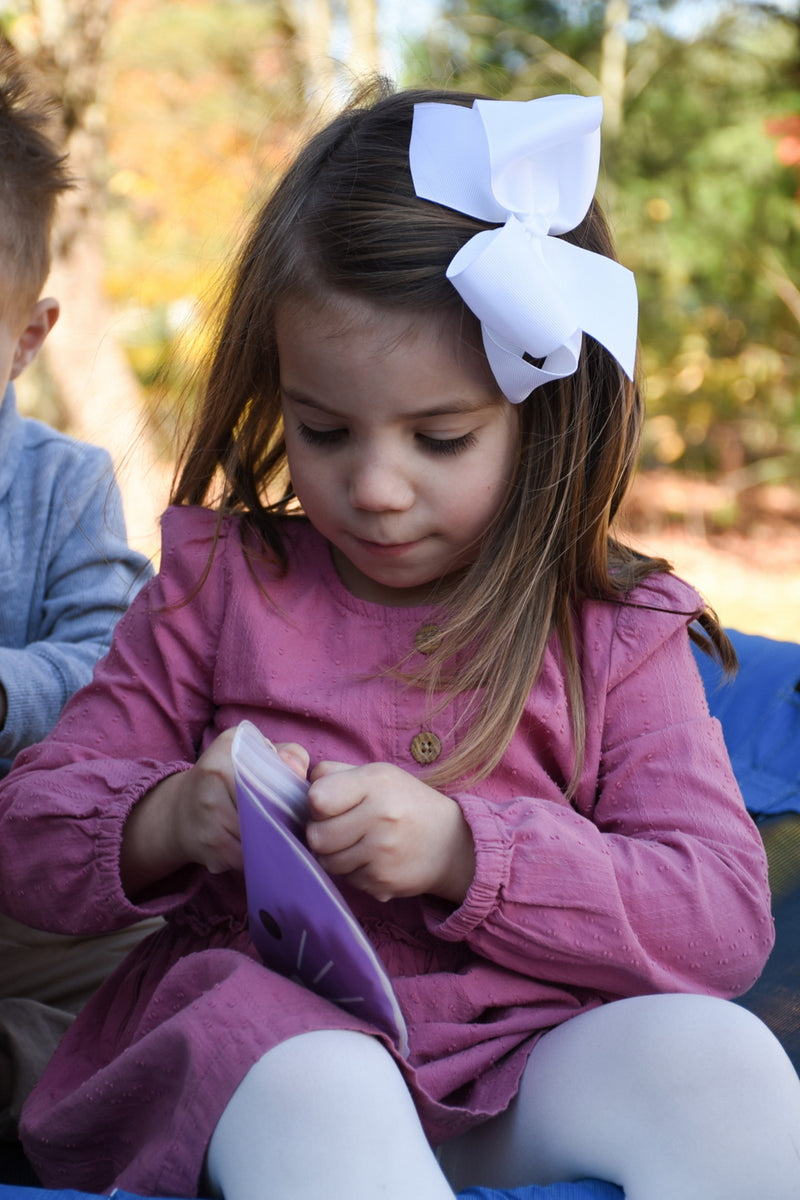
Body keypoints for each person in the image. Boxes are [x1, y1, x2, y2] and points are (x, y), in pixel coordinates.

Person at [0, 81, 798, 1200]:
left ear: (545, 413)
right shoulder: (222, 590)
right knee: (324, 1086)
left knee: (728, 1069)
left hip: (512, 1057)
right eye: (322, 430)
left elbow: (717, 915)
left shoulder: (612, 630)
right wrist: (172, 814)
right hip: (262, 1063)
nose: (373, 488)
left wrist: (469, 851)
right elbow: (28, 838)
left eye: (438, 437)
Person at [0, 46, 155, 1139]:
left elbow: (111, 653)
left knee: (171, 950)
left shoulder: (64, 483)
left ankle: (33, 1070)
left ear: (26, 334)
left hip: (24, 873)